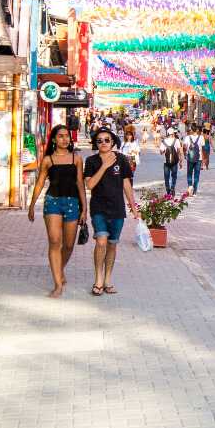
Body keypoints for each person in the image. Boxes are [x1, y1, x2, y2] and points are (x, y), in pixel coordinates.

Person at [27, 124, 83, 298]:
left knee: (68, 245)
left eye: (67, 136)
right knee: (54, 241)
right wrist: (31, 205)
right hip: (52, 202)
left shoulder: (76, 159)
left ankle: (60, 269)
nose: (65, 139)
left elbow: (80, 184)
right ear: (53, 139)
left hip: (73, 202)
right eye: (60, 136)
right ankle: (58, 283)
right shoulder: (47, 160)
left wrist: (84, 209)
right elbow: (40, 183)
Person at [82, 127, 139, 295]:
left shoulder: (121, 159)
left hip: (117, 209)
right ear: (95, 143)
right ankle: (98, 279)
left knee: (112, 246)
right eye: (99, 140)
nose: (103, 143)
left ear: (113, 141)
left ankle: (107, 280)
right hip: (99, 208)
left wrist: (134, 208)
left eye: (107, 140)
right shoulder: (91, 161)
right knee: (101, 241)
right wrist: (105, 165)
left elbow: (126, 184)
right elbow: (90, 185)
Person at [183, 123, 205, 194]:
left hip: (190, 157)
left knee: (189, 174)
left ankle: (190, 185)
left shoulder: (187, 137)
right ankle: (195, 191)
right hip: (199, 158)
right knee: (197, 174)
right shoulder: (201, 137)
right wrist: (204, 157)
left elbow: (184, 146)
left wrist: (184, 153)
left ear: (191, 130)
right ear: (197, 130)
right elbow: (203, 148)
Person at [160, 127, 182, 195]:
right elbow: (178, 151)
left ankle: (168, 190)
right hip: (175, 161)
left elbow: (161, 152)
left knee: (166, 176)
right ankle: (173, 186)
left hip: (166, 162)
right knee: (174, 175)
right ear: (173, 134)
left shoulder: (163, 142)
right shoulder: (176, 141)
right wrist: (180, 161)